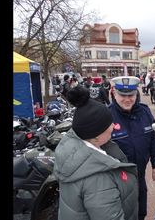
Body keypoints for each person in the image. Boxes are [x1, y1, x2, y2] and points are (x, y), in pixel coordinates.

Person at [53, 86, 139, 220]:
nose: (113, 126)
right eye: (109, 124)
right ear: (96, 136)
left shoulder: (73, 151)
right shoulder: (99, 178)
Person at [109, 76, 155, 220]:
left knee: (140, 211)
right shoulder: (107, 115)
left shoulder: (145, 112)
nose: (127, 99)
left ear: (136, 94)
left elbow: (153, 138)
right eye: (122, 95)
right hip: (117, 179)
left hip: (139, 175)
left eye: (131, 95)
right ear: (114, 93)